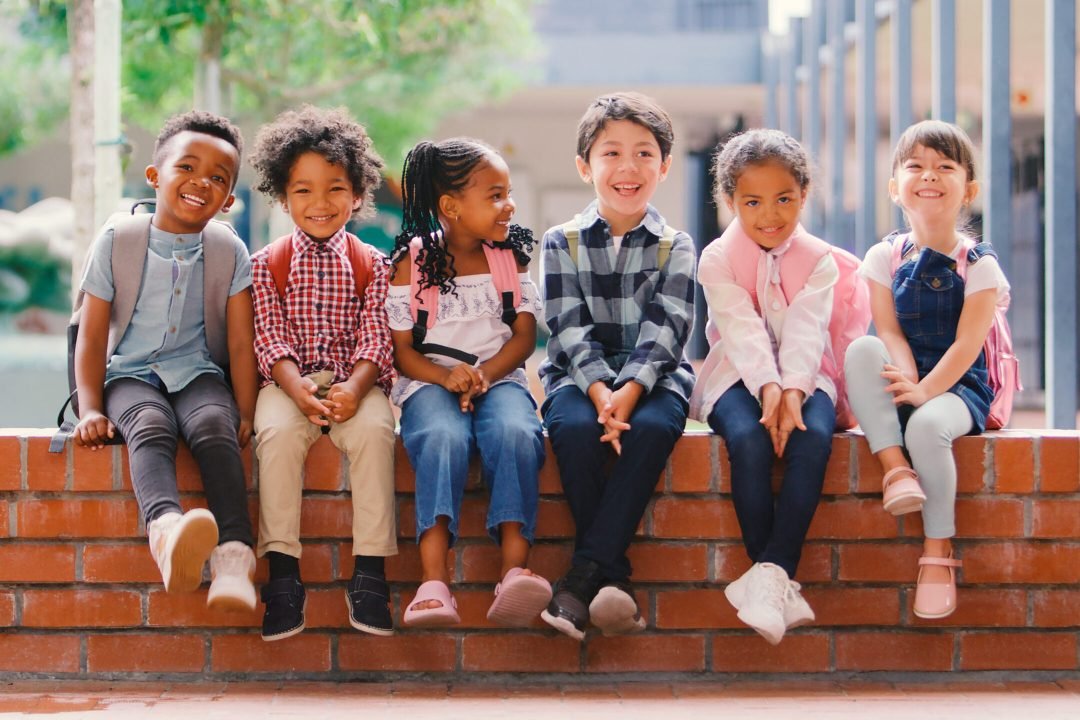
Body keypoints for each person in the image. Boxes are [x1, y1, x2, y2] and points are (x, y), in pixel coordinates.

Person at [72, 110, 258, 611]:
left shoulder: (228, 250)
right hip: (130, 374)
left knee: (215, 427)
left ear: (229, 200)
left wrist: (246, 410)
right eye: (187, 168)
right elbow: (91, 338)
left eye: (218, 179)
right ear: (155, 176)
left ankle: (234, 560)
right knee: (150, 425)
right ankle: (167, 533)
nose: (201, 183)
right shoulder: (118, 240)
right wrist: (91, 409)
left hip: (196, 371)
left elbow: (241, 344)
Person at [538, 92, 696, 640]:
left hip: (657, 381)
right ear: (586, 166)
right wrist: (601, 390)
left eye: (644, 154)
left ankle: (581, 580)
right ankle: (614, 580)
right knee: (574, 431)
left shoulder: (677, 245)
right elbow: (565, 324)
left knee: (651, 429)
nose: (628, 168)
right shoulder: (561, 242)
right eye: (611, 154)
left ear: (664, 165)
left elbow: (669, 326)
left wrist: (628, 390)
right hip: (576, 381)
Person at [844, 120, 1010, 619]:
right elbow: (890, 331)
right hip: (908, 374)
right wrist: (906, 380)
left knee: (930, 426)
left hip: (960, 388)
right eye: (915, 166)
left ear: (969, 190)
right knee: (861, 351)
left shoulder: (978, 264)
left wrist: (923, 393)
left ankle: (937, 554)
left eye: (945, 166)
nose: (929, 175)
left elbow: (967, 345)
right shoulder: (883, 256)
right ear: (896, 187)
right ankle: (896, 471)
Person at [248, 106, 397, 641]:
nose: (320, 203)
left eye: (335, 189)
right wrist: (297, 389)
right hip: (287, 384)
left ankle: (371, 573)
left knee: (378, 434)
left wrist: (356, 389)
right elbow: (268, 336)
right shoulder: (265, 263)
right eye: (303, 190)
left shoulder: (374, 264)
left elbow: (378, 337)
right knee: (279, 436)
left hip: (357, 382)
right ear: (283, 196)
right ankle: (283, 576)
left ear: (357, 194)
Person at [387, 138, 550, 628]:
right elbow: (402, 352)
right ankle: (434, 583)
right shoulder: (411, 263)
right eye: (495, 195)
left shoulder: (509, 258)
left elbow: (523, 338)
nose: (509, 205)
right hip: (429, 380)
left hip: (497, 376)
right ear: (451, 207)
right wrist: (445, 376)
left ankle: (513, 571)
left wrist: (485, 376)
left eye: (509, 192)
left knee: (516, 433)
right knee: (441, 436)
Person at [691, 129, 845, 645]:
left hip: (807, 375)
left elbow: (808, 329)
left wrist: (794, 391)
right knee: (750, 440)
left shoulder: (820, 258)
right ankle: (773, 575)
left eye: (785, 199)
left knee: (814, 438)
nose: (770, 214)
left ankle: (769, 574)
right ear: (729, 201)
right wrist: (768, 391)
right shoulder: (716, 257)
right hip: (735, 374)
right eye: (752, 201)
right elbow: (741, 332)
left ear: (805, 195)